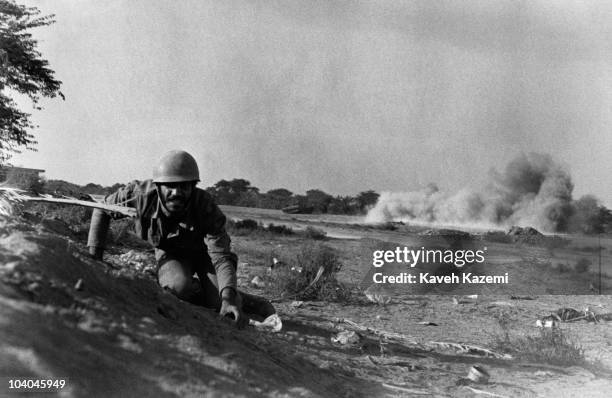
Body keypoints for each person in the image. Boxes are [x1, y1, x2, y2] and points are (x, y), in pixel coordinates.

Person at [87, 149, 274, 328]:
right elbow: (101, 209)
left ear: (193, 186)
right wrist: (95, 260)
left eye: (184, 186)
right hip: (172, 254)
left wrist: (228, 297)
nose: (176, 192)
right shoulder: (139, 196)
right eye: (170, 186)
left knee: (220, 304)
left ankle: (240, 298)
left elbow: (221, 256)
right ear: (158, 186)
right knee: (178, 289)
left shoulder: (205, 206)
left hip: (205, 255)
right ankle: (202, 289)